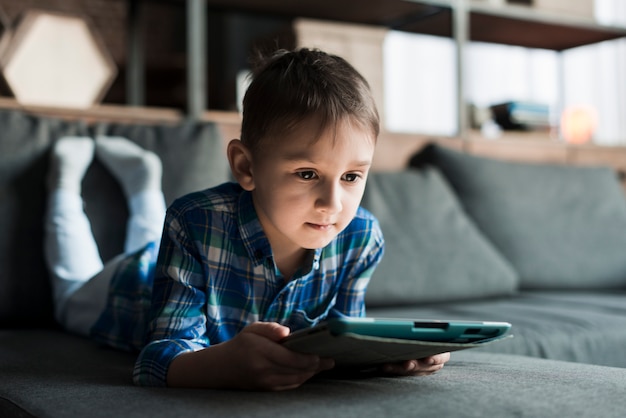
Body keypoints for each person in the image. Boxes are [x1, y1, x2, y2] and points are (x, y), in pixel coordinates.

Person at [44, 48, 450, 392]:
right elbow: (157, 358)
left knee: (155, 235)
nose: (332, 203)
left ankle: (143, 183)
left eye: (351, 176)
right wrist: (223, 365)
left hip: (173, 260)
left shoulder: (362, 238)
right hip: (126, 288)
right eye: (308, 174)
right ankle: (64, 184)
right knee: (69, 288)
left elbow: (339, 341)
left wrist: (387, 356)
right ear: (245, 166)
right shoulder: (193, 221)